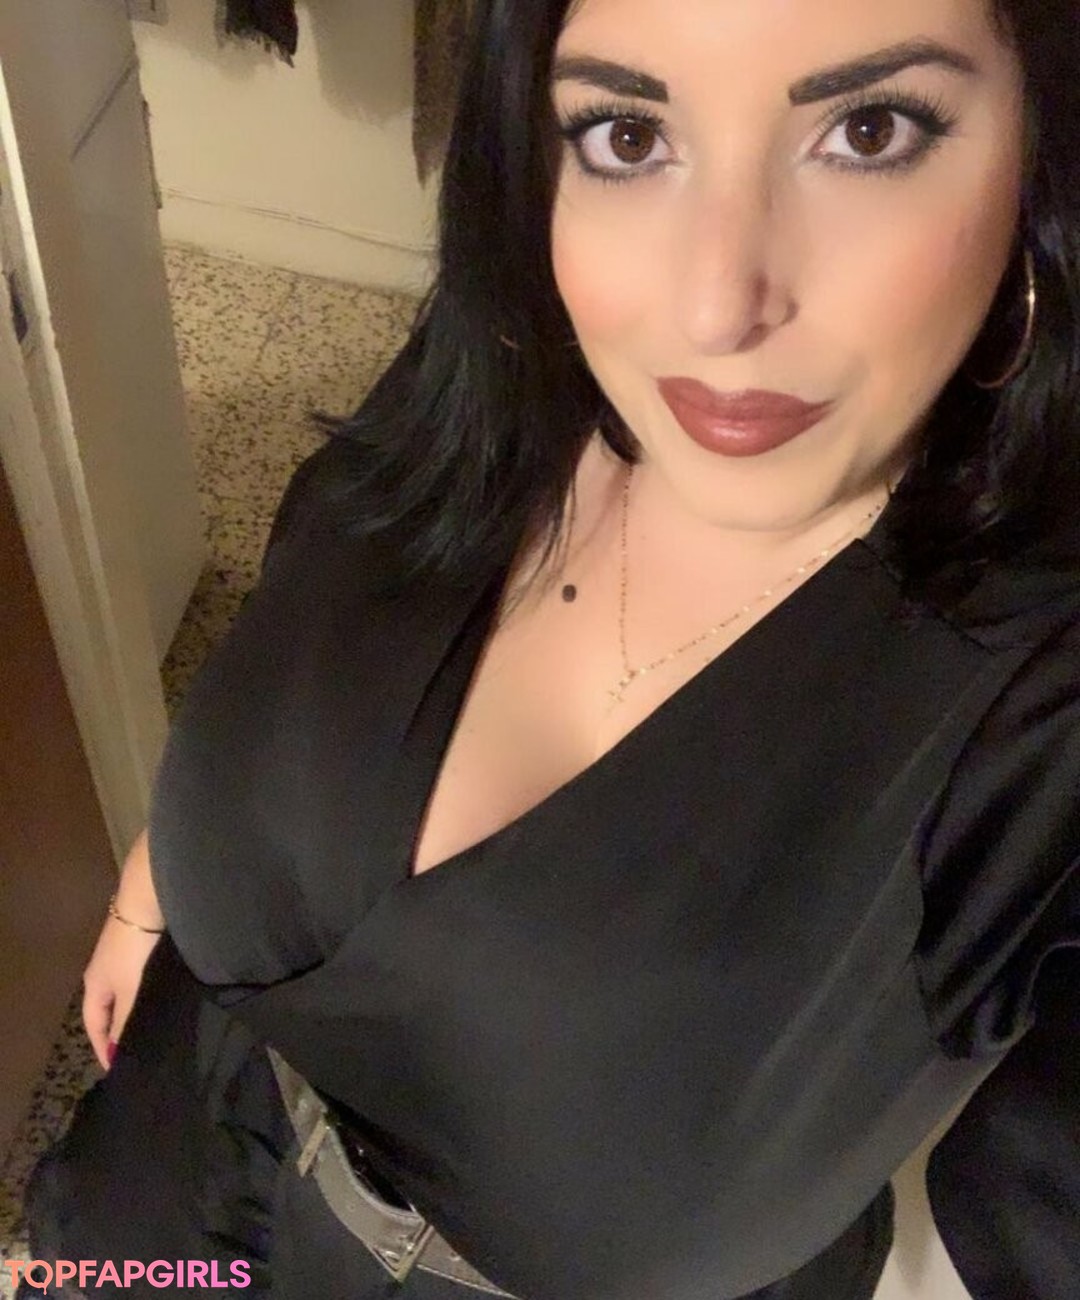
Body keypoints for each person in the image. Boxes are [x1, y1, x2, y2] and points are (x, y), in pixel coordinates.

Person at [21, 0, 1080, 1297]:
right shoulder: (525, 356)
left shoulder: (1042, 699)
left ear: (1043, 148)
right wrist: (159, 881)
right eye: (629, 134)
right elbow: (306, 613)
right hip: (171, 1195)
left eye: (869, 130)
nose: (712, 304)